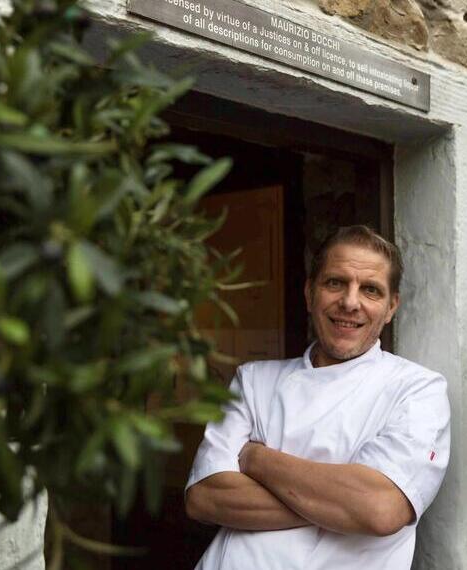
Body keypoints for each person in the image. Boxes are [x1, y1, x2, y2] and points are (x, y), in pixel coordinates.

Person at [184, 225, 451, 570]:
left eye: (370, 290)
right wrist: (342, 507)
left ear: (390, 307)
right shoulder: (252, 380)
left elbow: (380, 507)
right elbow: (205, 498)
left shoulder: (417, 389)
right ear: (310, 294)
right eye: (335, 283)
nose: (350, 302)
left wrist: (255, 459)